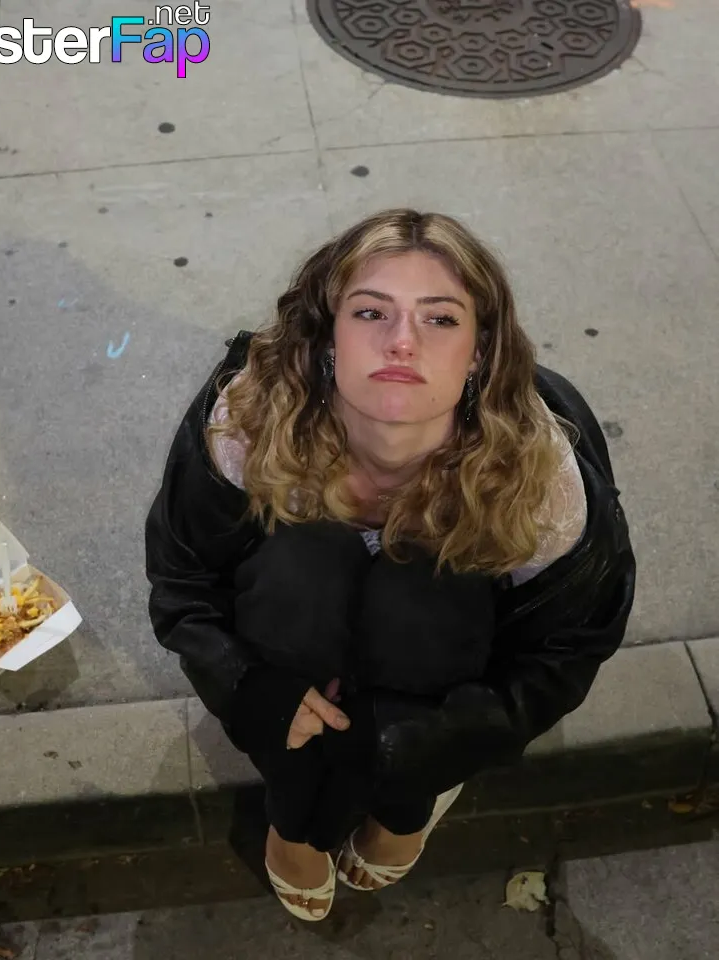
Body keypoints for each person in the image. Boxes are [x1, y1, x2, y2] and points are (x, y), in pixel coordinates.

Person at [144, 209, 635, 922]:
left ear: (480, 353)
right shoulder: (247, 421)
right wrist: (246, 686)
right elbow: (183, 580)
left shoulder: (543, 479)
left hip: (446, 651)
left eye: (440, 319)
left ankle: (406, 809)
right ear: (328, 336)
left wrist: (429, 745)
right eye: (371, 311)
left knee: (424, 583)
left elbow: (568, 651)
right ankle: (293, 816)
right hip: (291, 619)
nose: (402, 341)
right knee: (307, 559)